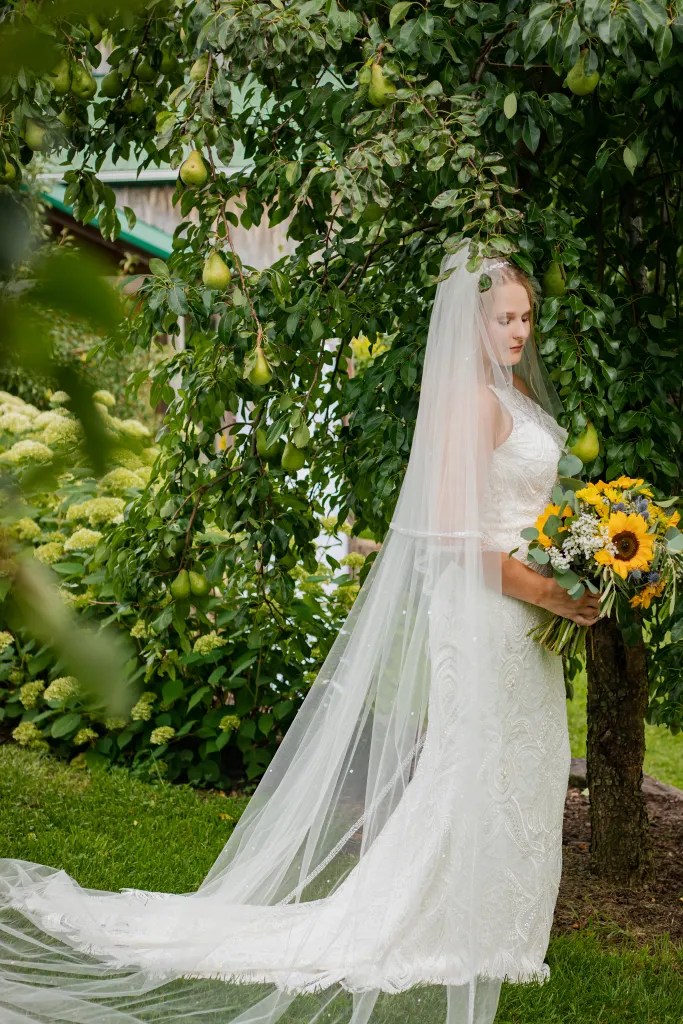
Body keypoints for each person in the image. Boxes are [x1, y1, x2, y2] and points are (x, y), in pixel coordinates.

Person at [0, 241, 600, 1024]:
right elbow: (455, 541)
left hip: (526, 612)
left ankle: (503, 932)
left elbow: (525, 515)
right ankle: (456, 929)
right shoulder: (471, 404)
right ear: (469, 323)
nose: (518, 332)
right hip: (491, 609)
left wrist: (576, 567)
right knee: (472, 761)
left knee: (524, 757)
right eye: (503, 318)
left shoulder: (514, 399)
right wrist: (552, 593)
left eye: (525, 317)